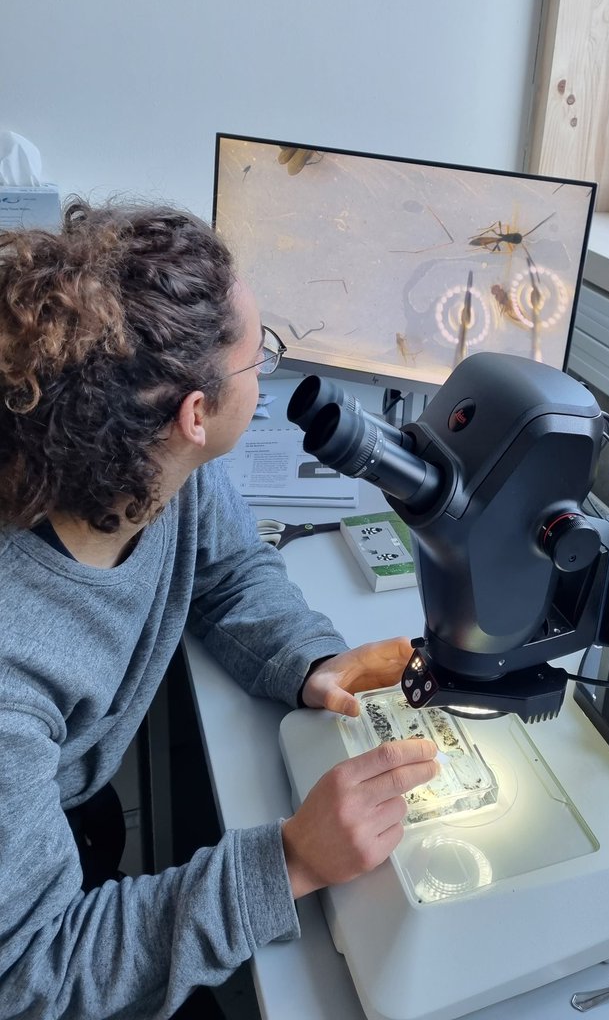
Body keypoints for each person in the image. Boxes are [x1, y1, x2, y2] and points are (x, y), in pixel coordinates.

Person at [0, 197, 438, 1018]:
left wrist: (311, 658)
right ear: (193, 414)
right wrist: (288, 864)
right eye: (257, 355)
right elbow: (33, 971)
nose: (265, 372)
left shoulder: (159, 470)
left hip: (60, 816)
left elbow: (229, 571)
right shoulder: (12, 660)